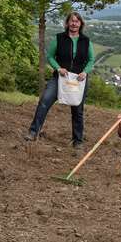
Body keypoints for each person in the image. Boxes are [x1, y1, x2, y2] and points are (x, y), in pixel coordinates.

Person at [24, 12, 95, 149]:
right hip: (60, 78)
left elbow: (91, 60)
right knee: (44, 101)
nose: (74, 23)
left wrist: (85, 72)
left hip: (78, 80)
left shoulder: (86, 41)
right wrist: (58, 68)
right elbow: (50, 57)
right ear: (67, 23)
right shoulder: (59, 38)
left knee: (77, 110)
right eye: (71, 21)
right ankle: (33, 132)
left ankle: (78, 141)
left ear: (81, 24)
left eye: (77, 21)